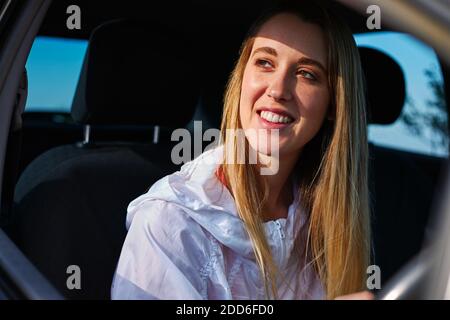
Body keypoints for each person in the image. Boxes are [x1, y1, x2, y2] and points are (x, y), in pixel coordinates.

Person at [111, 1, 374, 300]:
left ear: (333, 105)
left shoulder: (327, 219)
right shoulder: (171, 221)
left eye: (306, 74)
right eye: (265, 63)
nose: (278, 89)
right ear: (241, 77)